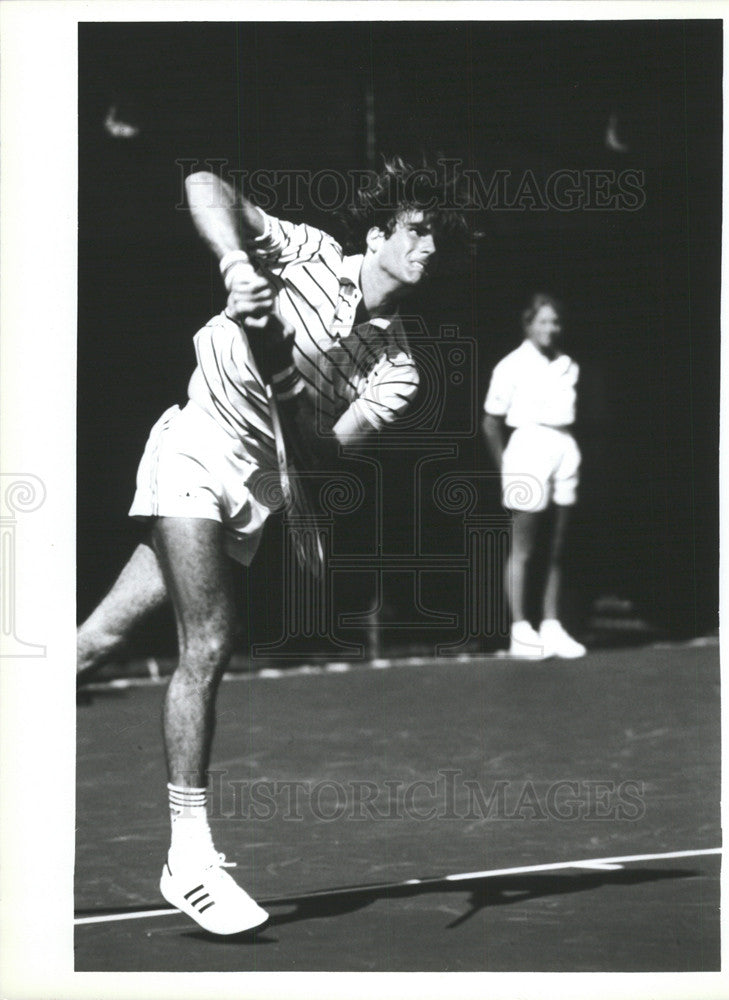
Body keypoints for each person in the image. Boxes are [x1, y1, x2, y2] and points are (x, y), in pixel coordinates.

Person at [76, 158, 475, 935]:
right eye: (417, 231)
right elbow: (201, 182)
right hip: (197, 443)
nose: (428, 248)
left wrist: (287, 382)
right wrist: (235, 260)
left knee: (97, 641)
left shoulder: (399, 370)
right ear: (377, 234)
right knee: (210, 643)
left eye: (438, 240)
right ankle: (188, 858)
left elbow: (325, 458)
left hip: (258, 492)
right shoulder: (306, 252)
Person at [482, 293, 587, 660]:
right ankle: (521, 629)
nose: (550, 328)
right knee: (523, 548)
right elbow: (491, 423)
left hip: (564, 446)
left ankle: (552, 624)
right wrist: (505, 470)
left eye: (555, 322)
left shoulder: (568, 364)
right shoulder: (510, 366)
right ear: (528, 324)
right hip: (527, 450)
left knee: (557, 546)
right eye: (542, 321)